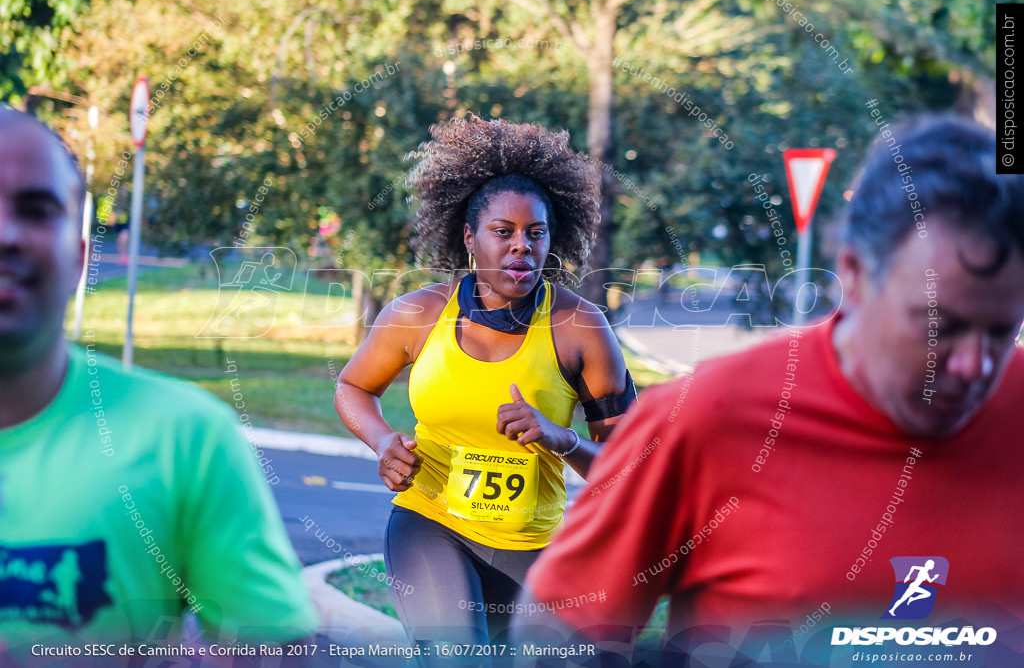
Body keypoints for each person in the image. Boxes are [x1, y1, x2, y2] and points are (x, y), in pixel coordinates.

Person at [518, 115, 1024, 664]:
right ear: (852, 274)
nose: (975, 365)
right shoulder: (710, 419)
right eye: (938, 325)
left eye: (1002, 330)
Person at [0, 107, 318, 661]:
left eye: (35, 209)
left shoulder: (184, 438)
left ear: (78, 261)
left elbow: (274, 650)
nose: (4, 234)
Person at [334, 115, 635, 655]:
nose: (521, 246)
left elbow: (627, 466)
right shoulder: (417, 315)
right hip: (431, 524)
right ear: (470, 238)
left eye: (535, 233)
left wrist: (559, 437)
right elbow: (353, 387)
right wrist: (382, 442)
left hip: (534, 547)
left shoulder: (580, 328)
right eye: (503, 232)